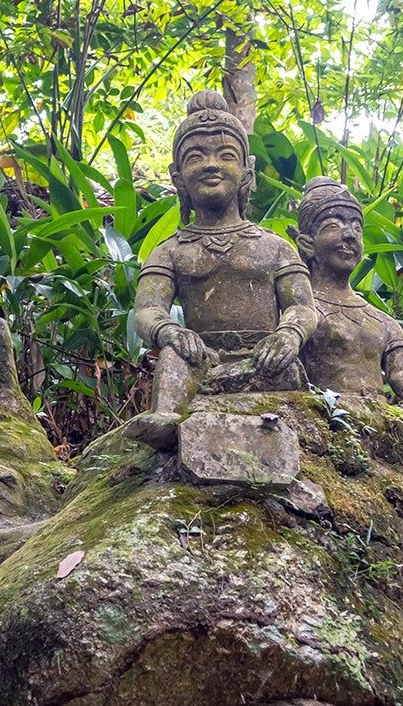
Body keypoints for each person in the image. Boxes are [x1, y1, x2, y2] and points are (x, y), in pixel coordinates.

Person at [126, 91, 318, 449]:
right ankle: (168, 420)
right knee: (173, 359)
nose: (211, 165)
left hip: (261, 360)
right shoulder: (170, 251)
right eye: (195, 157)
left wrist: (288, 335)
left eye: (226, 155)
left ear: (247, 171)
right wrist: (170, 331)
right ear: (178, 177)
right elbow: (147, 310)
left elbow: (302, 306)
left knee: (283, 368)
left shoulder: (275, 246)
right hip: (201, 359)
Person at [295, 176, 403, 491]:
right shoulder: (299, 310)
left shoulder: (381, 320)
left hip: (381, 416)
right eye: (333, 226)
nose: (349, 235)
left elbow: (402, 372)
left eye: (357, 228)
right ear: (307, 242)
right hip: (327, 414)